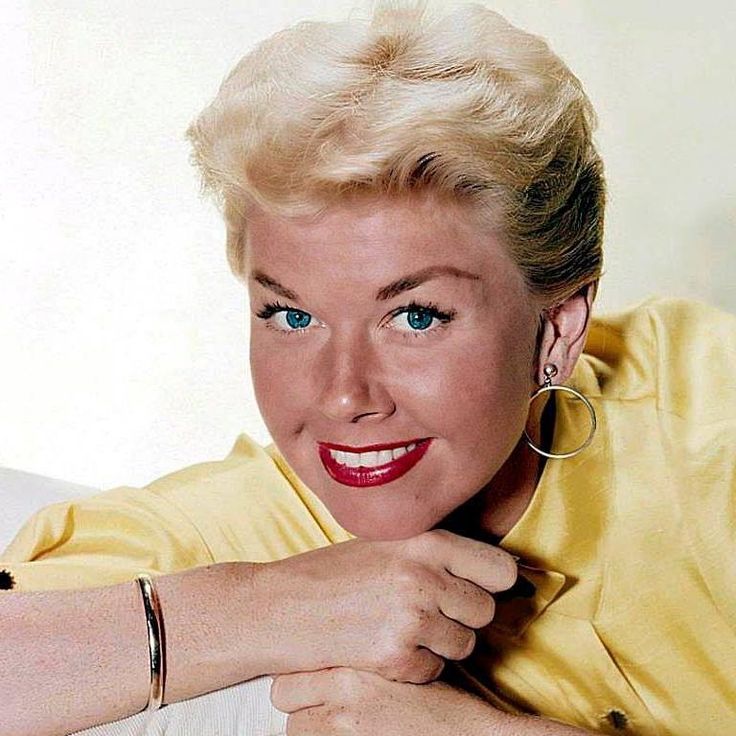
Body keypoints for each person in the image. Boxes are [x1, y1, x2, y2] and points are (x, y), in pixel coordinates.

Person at [2, 2, 734, 735]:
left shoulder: (710, 423)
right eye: (291, 316)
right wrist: (263, 607)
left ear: (557, 330)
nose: (343, 396)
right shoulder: (233, 526)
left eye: (416, 316)